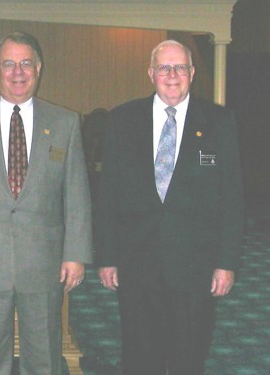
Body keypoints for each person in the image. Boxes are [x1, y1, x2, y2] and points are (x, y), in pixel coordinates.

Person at [0, 31, 92, 375]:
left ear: (39, 68)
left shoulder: (65, 123)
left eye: (26, 63)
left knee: (44, 355)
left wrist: (75, 253)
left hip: (45, 261)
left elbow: (77, 194)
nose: (17, 71)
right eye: (9, 63)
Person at [95, 40, 244, 375]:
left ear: (192, 73)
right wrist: (106, 256)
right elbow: (108, 196)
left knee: (188, 359)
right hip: (136, 266)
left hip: (195, 267)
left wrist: (226, 262)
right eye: (164, 67)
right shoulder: (122, 120)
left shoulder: (219, 122)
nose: (172, 75)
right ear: (151, 74)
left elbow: (233, 198)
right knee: (138, 358)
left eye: (180, 67)